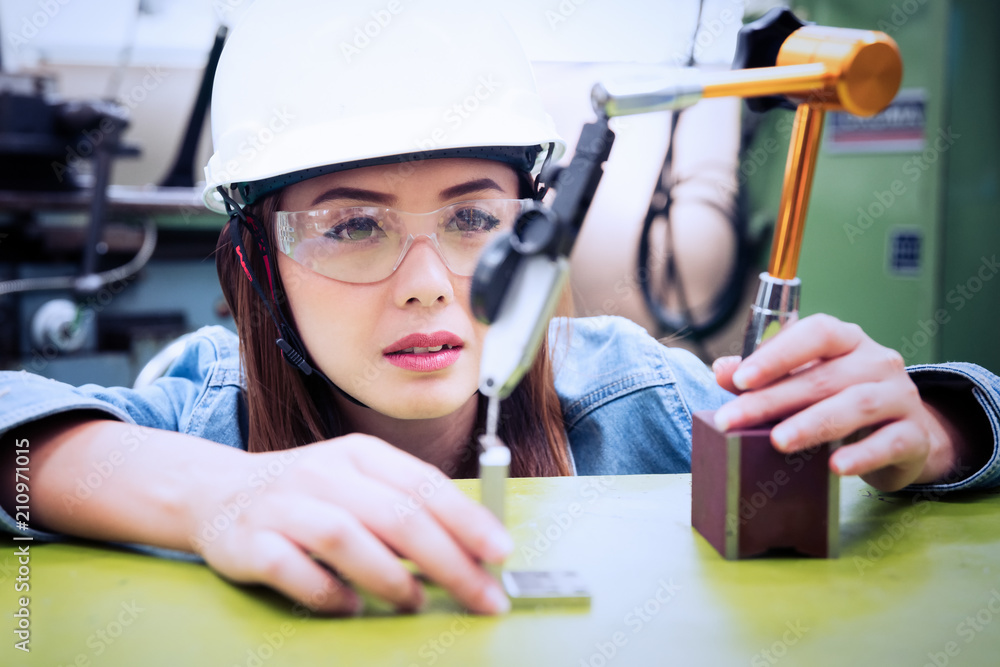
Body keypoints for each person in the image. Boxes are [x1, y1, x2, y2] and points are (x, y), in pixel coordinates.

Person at [1, 1, 997, 618]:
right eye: (352, 227)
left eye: (476, 217)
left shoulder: (633, 394)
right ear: (255, 268)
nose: (433, 281)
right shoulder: (206, 408)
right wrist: (209, 495)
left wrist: (938, 427)